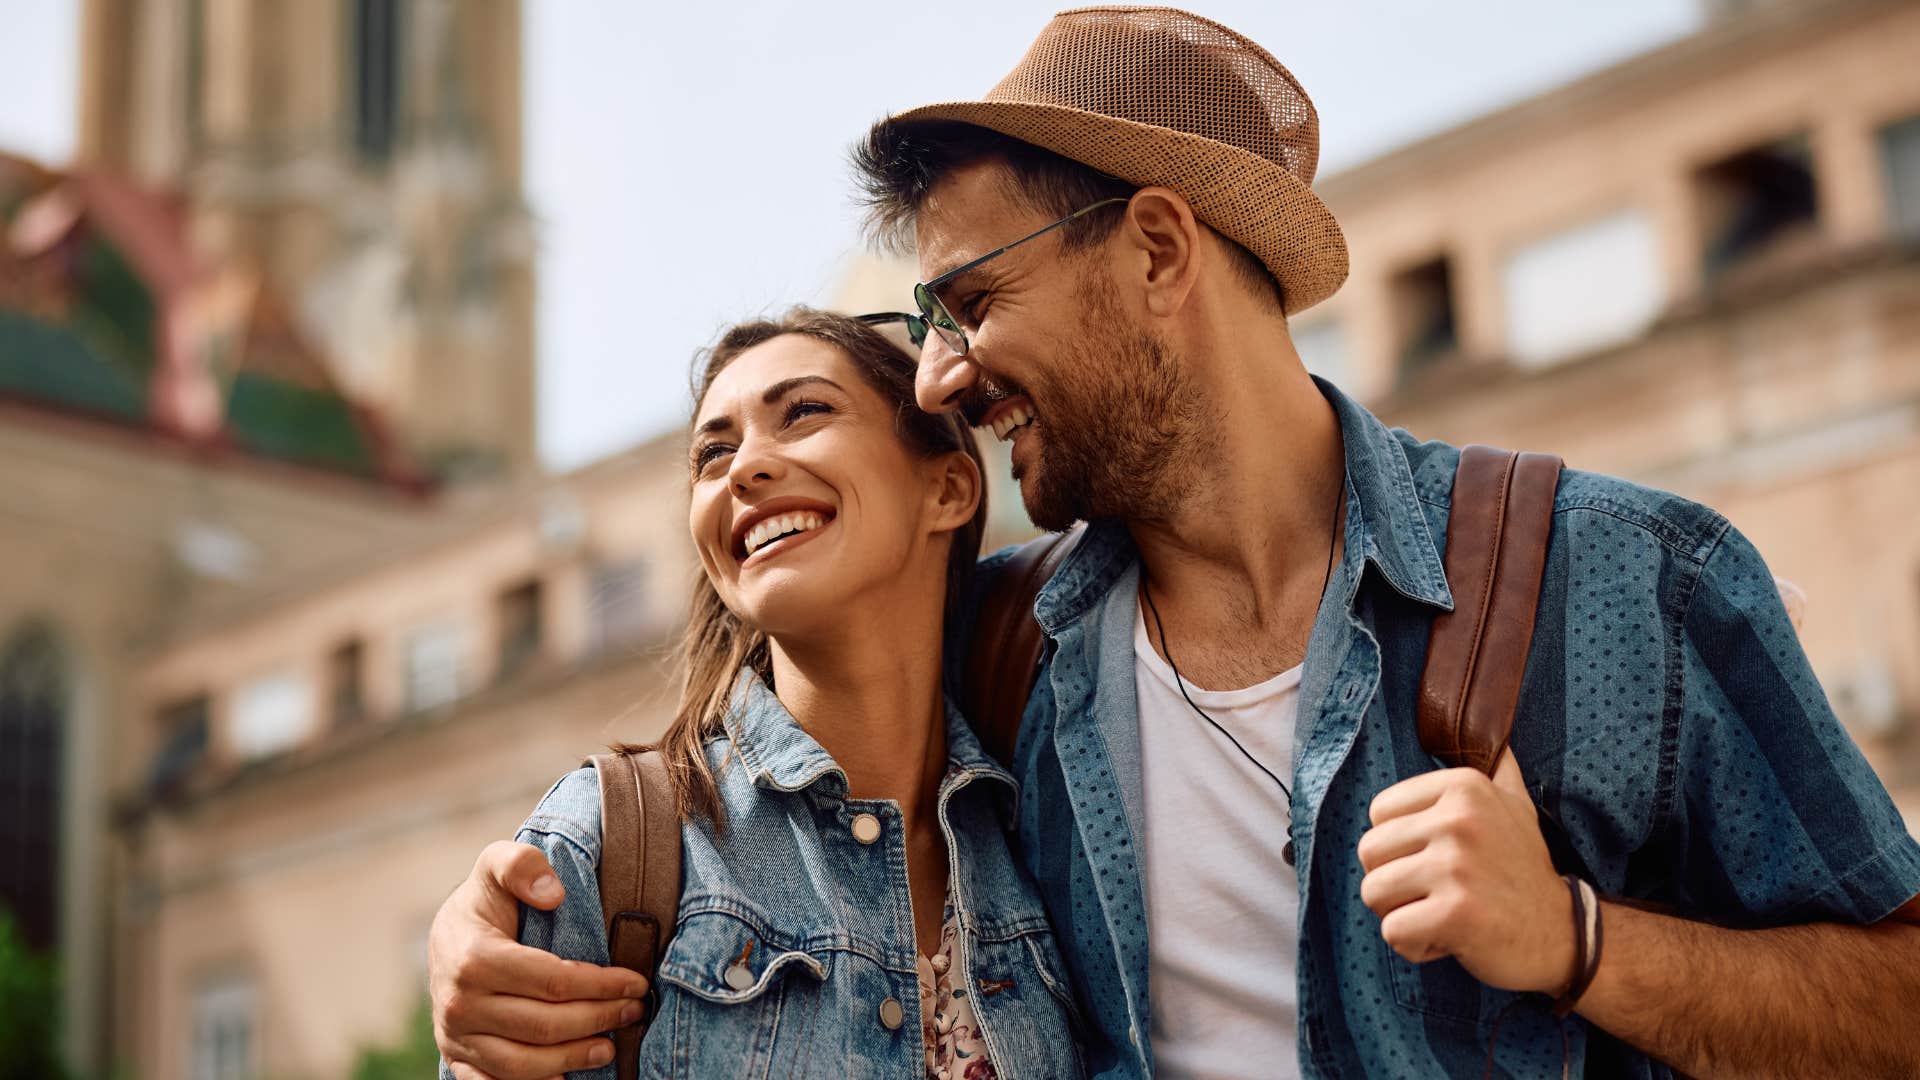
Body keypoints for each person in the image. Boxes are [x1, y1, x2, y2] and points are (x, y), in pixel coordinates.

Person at [432, 9, 1920, 1079]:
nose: (944, 375)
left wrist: (1581, 942)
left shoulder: (1629, 581)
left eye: (971, 303)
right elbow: (757, 780)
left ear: (1156, 251)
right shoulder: (1005, 653)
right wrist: (479, 936)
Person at [436, 309, 1086, 1079]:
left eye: (804, 412)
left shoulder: (1048, 829)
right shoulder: (607, 845)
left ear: (946, 489)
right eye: (714, 453)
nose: (744, 468)